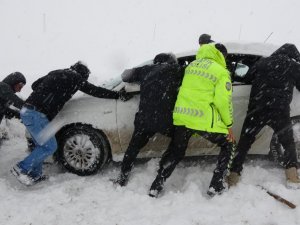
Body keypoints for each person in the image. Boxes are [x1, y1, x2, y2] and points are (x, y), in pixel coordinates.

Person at [11, 61, 130, 186]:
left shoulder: (56, 73)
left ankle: (35, 174)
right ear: (82, 74)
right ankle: (21, 168)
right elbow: (94, 90)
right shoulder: (75, 78)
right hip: (36, 114)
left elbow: (35, 85)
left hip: (28, 110)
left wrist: (51, 90)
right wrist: (116, 95)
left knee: (40, 144)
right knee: (49, 146)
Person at [148, 43, 235, 198]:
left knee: (176, 152)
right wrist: (228, 125)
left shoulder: (191, 66)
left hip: (183, 116)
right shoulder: (221, 72)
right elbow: (223, 101)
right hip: (202, 119)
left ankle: (157, 185)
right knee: (228, 143)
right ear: (221, 55)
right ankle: (216, 184)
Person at [227, 43, 300, 189]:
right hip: (279, 110)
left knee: (244, 143)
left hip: (257, 108)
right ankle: (292, 177)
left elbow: (246, 76)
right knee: (287, 143)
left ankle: (233, 176)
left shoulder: (262, 62)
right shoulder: (293, 66)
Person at [112, 53, 184, 186]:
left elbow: (125, 75)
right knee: (179, 139)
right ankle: (163, 166)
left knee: (133, 148)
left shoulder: (145, 70)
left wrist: (143, 75)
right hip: (166, 120)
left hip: (144, 119)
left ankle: (123, 176)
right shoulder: (176, 70)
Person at [0, 72, 26, 141]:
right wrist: (31, 107)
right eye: (20, 87)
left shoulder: (3, 96)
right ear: (14, 81)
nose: (20, 90)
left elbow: (5, 110)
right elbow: (15, 100)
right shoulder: (2, 86)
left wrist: (20, 115)